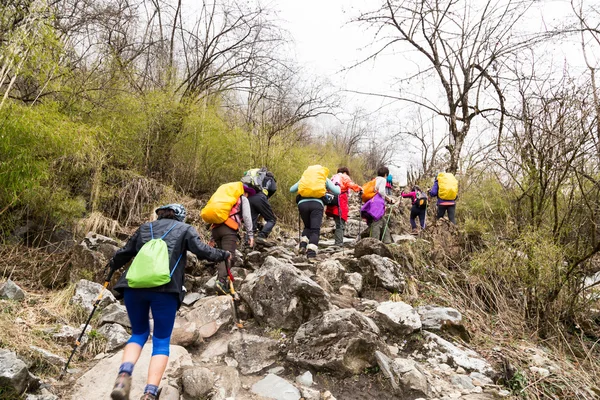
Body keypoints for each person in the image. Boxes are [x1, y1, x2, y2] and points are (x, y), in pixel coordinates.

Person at [108, 204, 230, 400]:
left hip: (133, 288)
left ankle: (123, 376)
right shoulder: (185, 229)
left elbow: (123, 253)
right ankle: (149, 393)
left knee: (138, 333)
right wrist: (224, 254)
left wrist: (112, 267)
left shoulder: (144, 228)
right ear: (180, 217)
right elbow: (203, 251)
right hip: (165, 289)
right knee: (161, 341)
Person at [210, 184, 255, 295]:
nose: (248, 195)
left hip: (215, 229)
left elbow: (218, 216)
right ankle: (220, 282)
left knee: (222, 255)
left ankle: (222, 283)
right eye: (247, 193)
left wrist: (212, 238)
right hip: (228, 229)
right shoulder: (242, 198)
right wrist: (250, 234)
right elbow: (247, 217)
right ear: (244, 192)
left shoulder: (226, 200)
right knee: (228, 255)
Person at [290, 166, 341, 261]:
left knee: (307, 227)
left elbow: (292, 189)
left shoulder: (304, 178)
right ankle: (311, 253)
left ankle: (303, 246)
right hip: (317, 204)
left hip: (302, 204)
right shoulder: (323, 178)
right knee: (315, 229)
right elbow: (337, 192)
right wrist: (337, 184)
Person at [325, 167, 361, 246]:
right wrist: (359, 189)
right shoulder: (344, 176)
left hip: (331, 202)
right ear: (345, 172)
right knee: (340, 224)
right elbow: (350, 184)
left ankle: (337, 242)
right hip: (340, 202)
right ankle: (338, 244)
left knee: (338, 222)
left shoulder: (333, 177)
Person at [247, 171, 277, 243]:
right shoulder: (270, 179)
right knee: (272, 219)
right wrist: (267, 196)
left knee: (252, 220)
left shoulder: (256, 179)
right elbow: (273, 189)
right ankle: (261, 236)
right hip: (261, 197)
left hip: (250, 198)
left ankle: (248, 242)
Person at [370, 166, 396, 244]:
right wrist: (389, 199)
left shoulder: (374, 180)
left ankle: (387, 241)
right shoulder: (383, 180)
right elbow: (381, 191)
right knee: (377, 222)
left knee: (383, 221)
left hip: (371, 202)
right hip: (377, 203)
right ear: (385, 174)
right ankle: (374, 243)